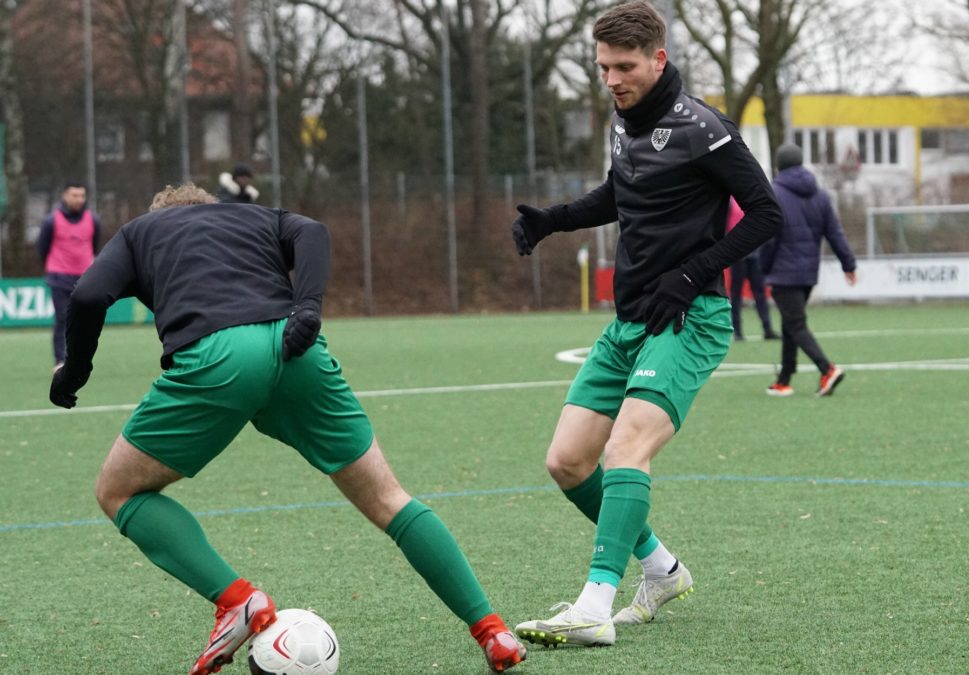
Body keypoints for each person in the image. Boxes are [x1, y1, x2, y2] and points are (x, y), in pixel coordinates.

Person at [48, 184, 526, 675]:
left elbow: (87, 295)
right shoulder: (251, 215)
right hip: (297, 351)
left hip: (218, 359)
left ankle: (238, 600)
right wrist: (309, 307)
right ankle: (493, 631)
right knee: (390, 499)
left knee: (117, 491)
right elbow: (313, 233)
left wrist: (75, 371)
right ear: (212, 210)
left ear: (160, 219)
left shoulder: (139, 234)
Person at [508, 0, 781, 648]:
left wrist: (692, 275)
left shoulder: (704, 129)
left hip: (693, 314)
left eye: (624, 67)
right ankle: (661, 570)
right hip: (632, 317)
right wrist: (555, 218)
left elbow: (767, 214)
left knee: (625, 447)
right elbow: (621, 191)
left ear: (659, 58)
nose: (612, 80)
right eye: (603, 68)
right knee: (568, 460)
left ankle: (594, 604)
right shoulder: (623, 120)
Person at [760, 143, 857, 397]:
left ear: (778, 165)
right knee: (790, 324)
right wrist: (849, 264)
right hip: (807, 273)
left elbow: (769, 237)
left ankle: (827, 369)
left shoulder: (775, 192)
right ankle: (784, 380)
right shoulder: (820, 195)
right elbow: (834, 233)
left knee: (796, 325)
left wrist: (762, 268)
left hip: (783, 271)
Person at [36, 181, 101, 369]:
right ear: (65, 196)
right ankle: (60, 360)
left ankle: (80, 358)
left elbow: (94, 246)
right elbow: (43, 248)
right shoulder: (51, 221)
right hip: (59, 277)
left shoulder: (93, 220)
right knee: (63, 318)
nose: (79, 199)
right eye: (74, 195)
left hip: (84, 278)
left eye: (82, 195)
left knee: (84, 320)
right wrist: (53, 267)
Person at [726, 198, 779, 341]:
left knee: (760, 293)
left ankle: (768, 329)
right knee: (736, 295)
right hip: (737, 255)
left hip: (754, 254)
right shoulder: (729, 200)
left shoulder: (750, 195)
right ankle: (737, 332)